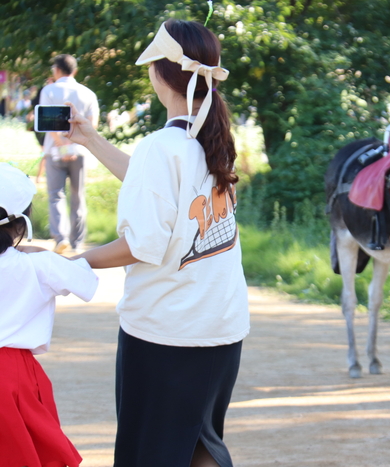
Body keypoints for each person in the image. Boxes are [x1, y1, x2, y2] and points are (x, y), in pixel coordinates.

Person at [65, 19, 249, 466]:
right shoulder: (209, 140)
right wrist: (91, 139)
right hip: (221, 329)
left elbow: (141, 244)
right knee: (200, 447)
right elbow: (159, 189)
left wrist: (75, 263)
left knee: (151, 454)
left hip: (167, 335)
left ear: (158, 73)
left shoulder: (162, 146)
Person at [0, 163, 98, 466]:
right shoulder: (38, 265)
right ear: (21, 226)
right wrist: (43, 253)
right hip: (11, 374)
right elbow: (87, 283)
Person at [39, 54, 99, 254]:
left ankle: (60, 238)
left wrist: (62, 145)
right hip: (80, 150)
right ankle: (77, 241)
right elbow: (92, 124)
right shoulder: (88, 93)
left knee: (56, 195)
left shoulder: (49, 90)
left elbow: (48, 121)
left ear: (56, 70)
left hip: (55, 151)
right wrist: (74, 144)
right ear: (75, 70)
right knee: (77, 195)